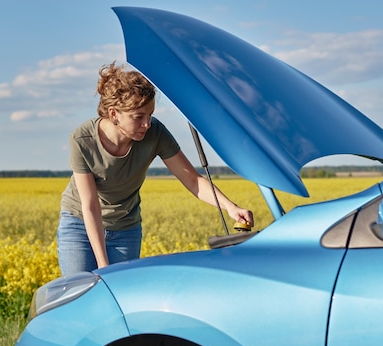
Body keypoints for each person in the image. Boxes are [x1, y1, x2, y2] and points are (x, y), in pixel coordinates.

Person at [56, 62, 253, 276]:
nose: (147, 124)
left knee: (122, 293)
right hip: (80, 223)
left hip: (125, 226)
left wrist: (230, 207)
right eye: (138, 117)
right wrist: (103, 265)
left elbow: (193, 180)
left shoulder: (155, 133)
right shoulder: (82, 139)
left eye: (149, 115)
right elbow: (90, 206)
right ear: (114, 114)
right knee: (80, 291)